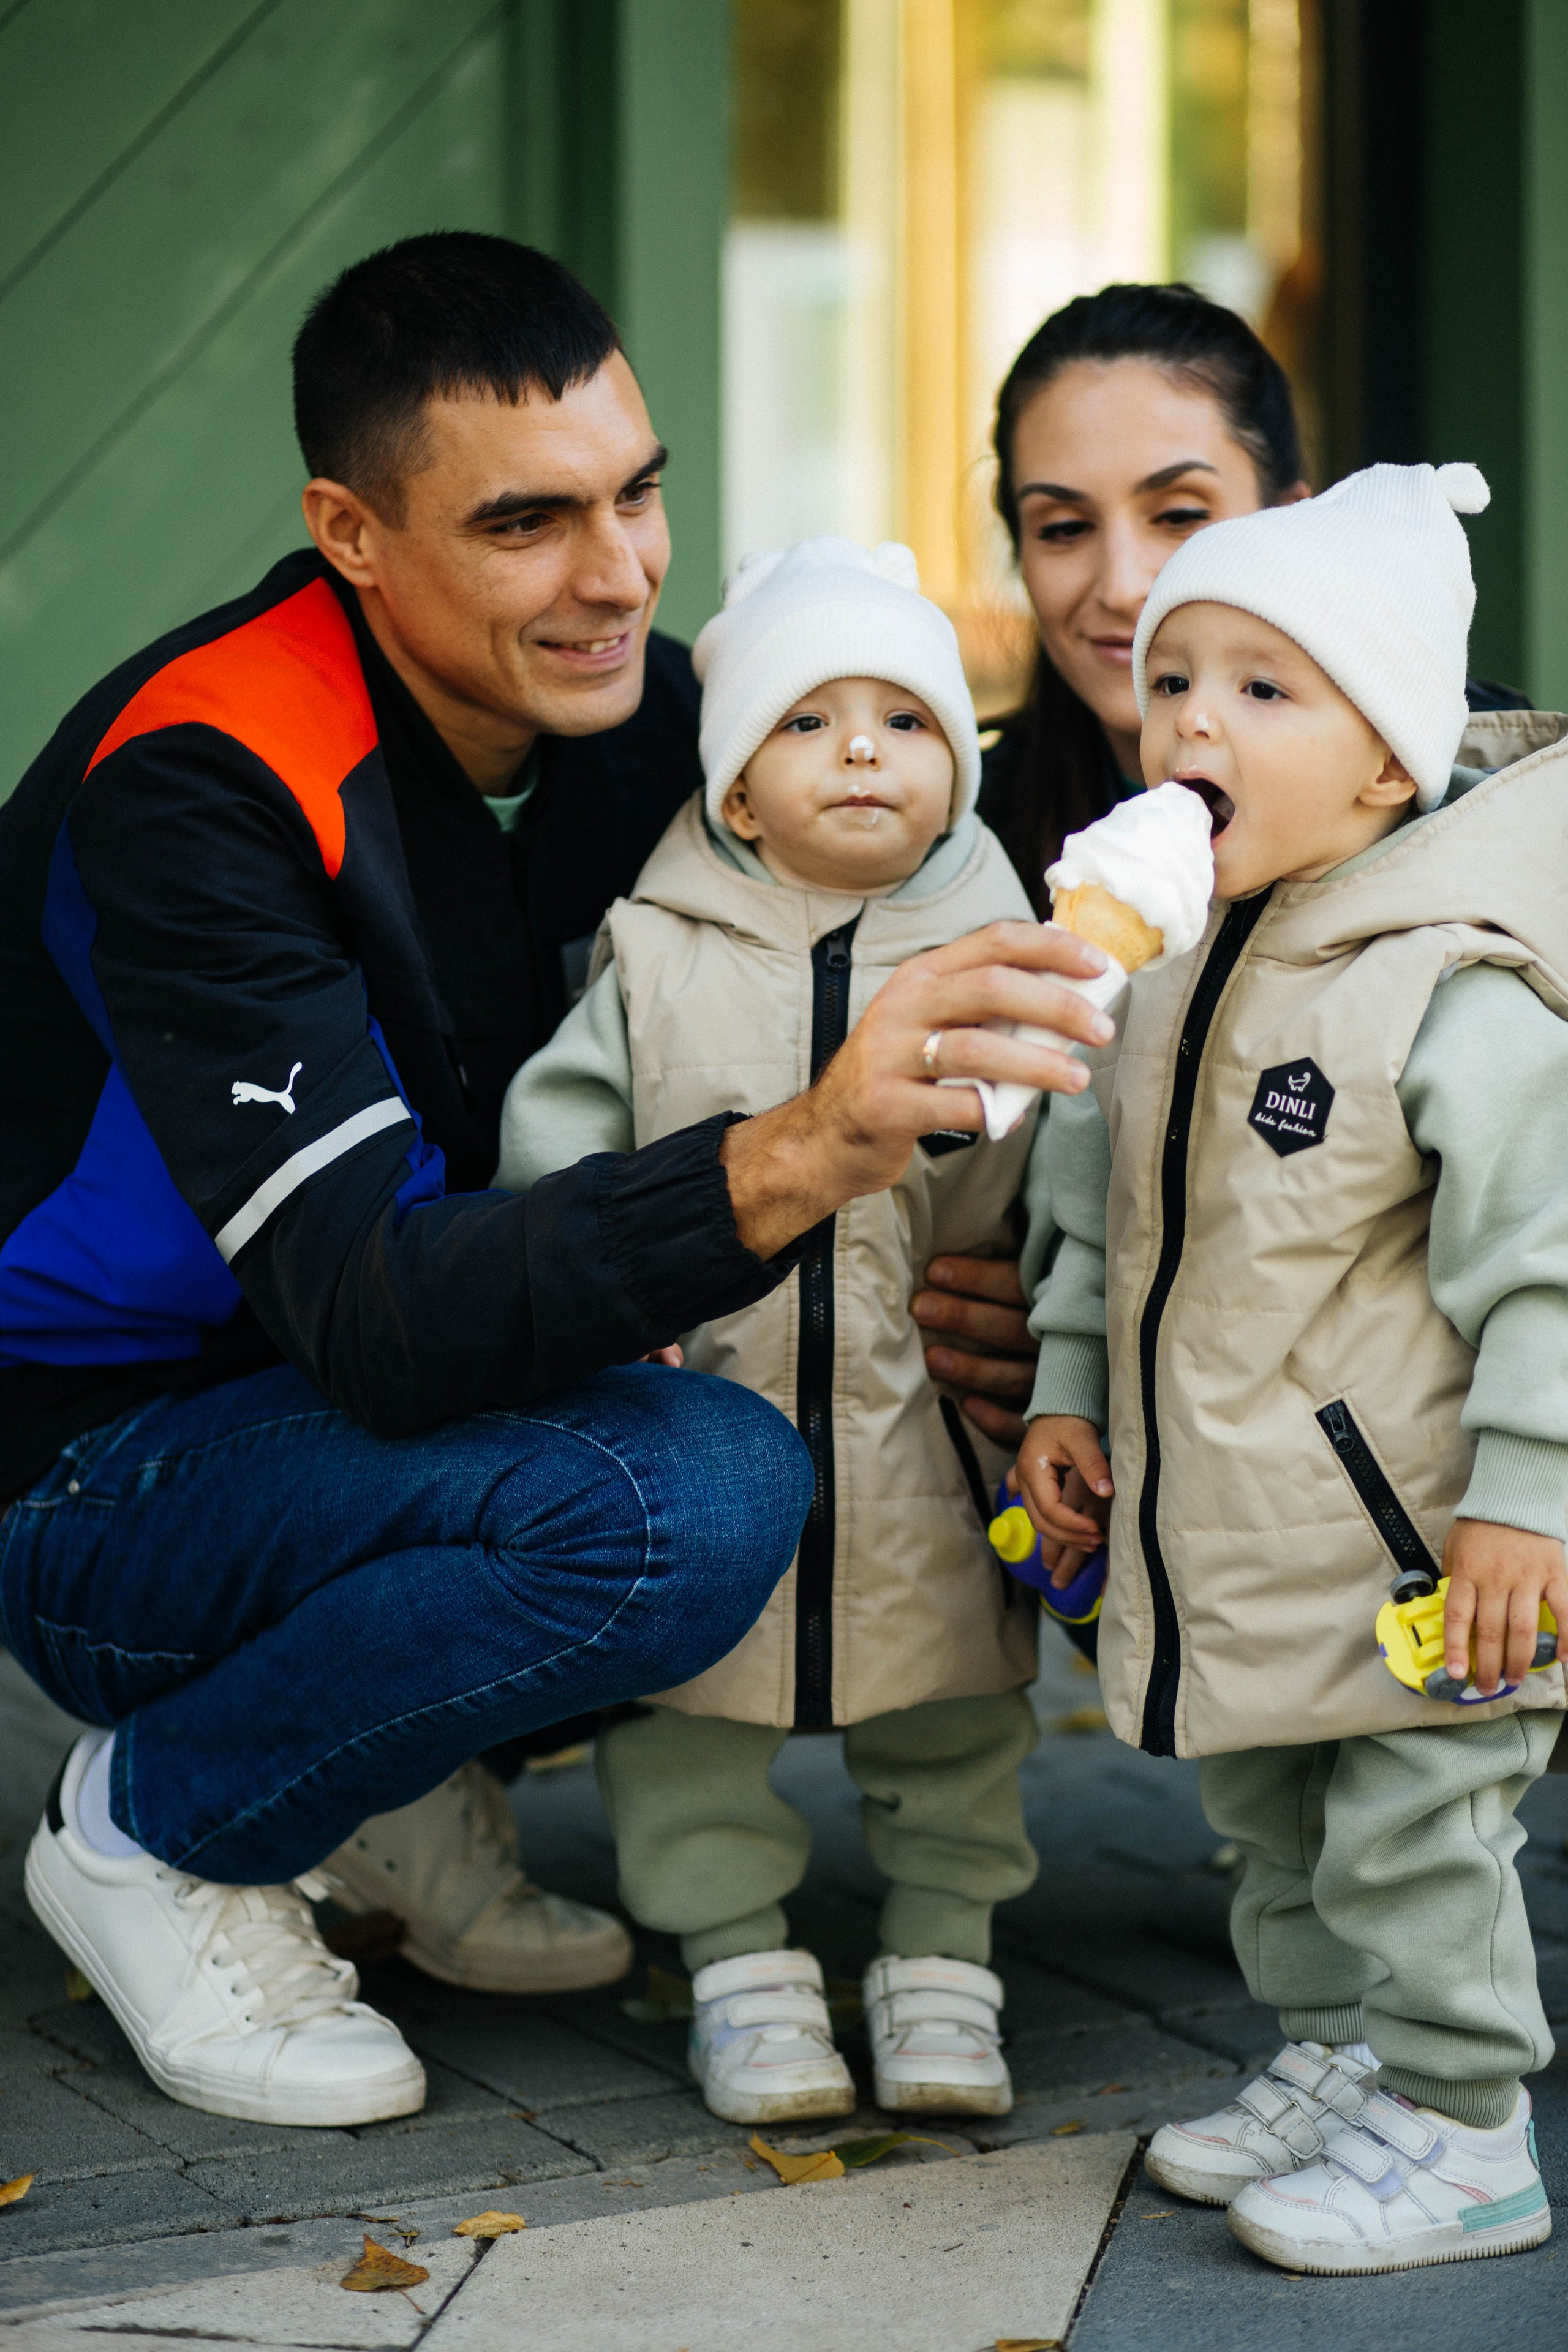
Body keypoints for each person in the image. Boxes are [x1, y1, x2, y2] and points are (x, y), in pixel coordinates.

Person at [0, 235, 1113, 2129]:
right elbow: (377, 1318)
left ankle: (382, 1775)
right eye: (527, 522)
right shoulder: (203, 781)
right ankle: (160, 1826)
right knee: (691, 1494)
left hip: (373, 1432)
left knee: (784, 1409)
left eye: (637, 495)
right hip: (103, 1474)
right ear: (351, 534)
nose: (616, 575)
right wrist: (806, 1153)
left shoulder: (653, 724)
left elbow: (932, 847)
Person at [1017, 461, 1568, 2275]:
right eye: (1176, 681)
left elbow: (1549, 1270)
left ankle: (1467, 2128)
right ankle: (1344, 2060)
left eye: (1264, 688)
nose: (1195, 721)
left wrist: (1531, 1500)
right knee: (1270, 1817)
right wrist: (1066, 1385)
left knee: (1413, 1836)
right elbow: (1099, 1211)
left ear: (1388, 763)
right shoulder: (1170, 961)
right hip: (1241, 1534)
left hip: (1429, 1547)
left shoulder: (1451, 990)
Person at [497, 538, 1055, 2126]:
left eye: (906, 719)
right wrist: (600, 1323)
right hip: (708, 1406)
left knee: (958, 1714)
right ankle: (736, 1961)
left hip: (926, 1425)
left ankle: (945, 1957)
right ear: (737, 791)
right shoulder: (653, 954)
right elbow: (560, 1148)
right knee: (685, 1720)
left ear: (956, 774)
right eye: (808, 721)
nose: (862, 749)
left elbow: (1067, 1185)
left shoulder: (1013, 961)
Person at [914, 282, 1312, 1450]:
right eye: (1062, 527)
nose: (1124, 584)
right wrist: (1051, 1333)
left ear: (1295, 523)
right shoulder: (949, 843)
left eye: (1179, 514)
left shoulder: (1467, 817)